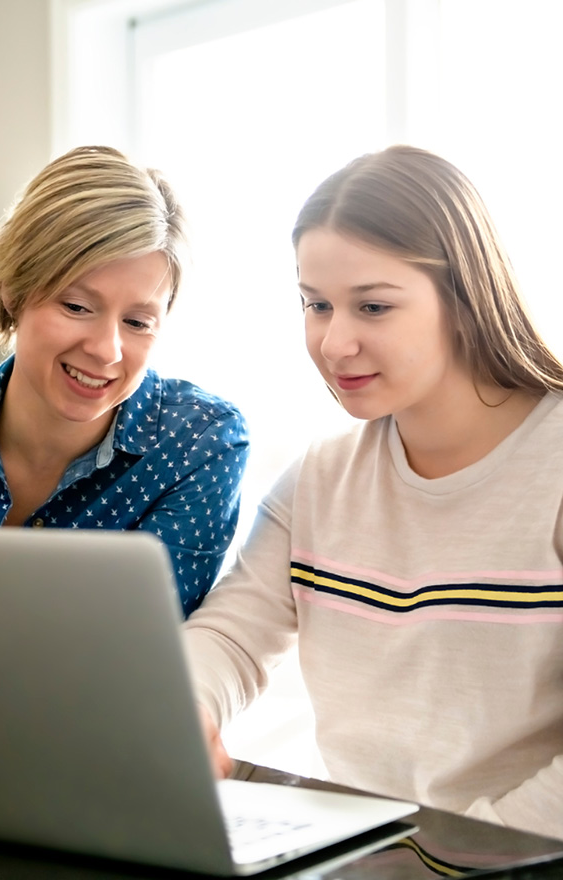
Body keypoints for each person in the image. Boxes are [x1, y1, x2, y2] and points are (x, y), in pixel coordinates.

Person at [183, 145, 563, 840]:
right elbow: (233, 636)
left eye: (374, 306)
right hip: (363, 855)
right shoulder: (321, 478)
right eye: (316, 304)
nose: (335, 343)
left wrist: (469, 855)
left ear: (465, 297)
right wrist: (185, 707)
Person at [0, 145, 249, 617]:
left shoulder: (198, 442)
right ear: (12, 291)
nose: (106, 350)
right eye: (77, 307)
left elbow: (136, 646)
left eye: (137, 322)